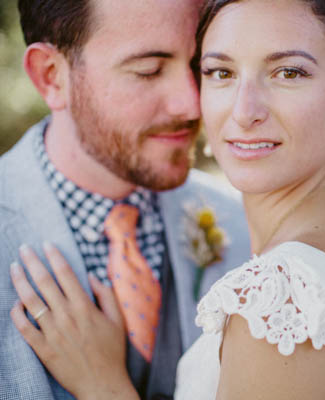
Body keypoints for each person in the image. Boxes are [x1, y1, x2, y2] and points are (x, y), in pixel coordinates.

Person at [11, 0, 325, 398]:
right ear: (50, 75)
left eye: (289, 72)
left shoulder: (283, 290)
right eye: (218, 71)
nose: (196, 105)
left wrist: (105, 390)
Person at [1, 0, 250, 398]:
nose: (191, 104)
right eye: (148, 71)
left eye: (200, 66)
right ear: (51, 77)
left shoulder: (241, 223)